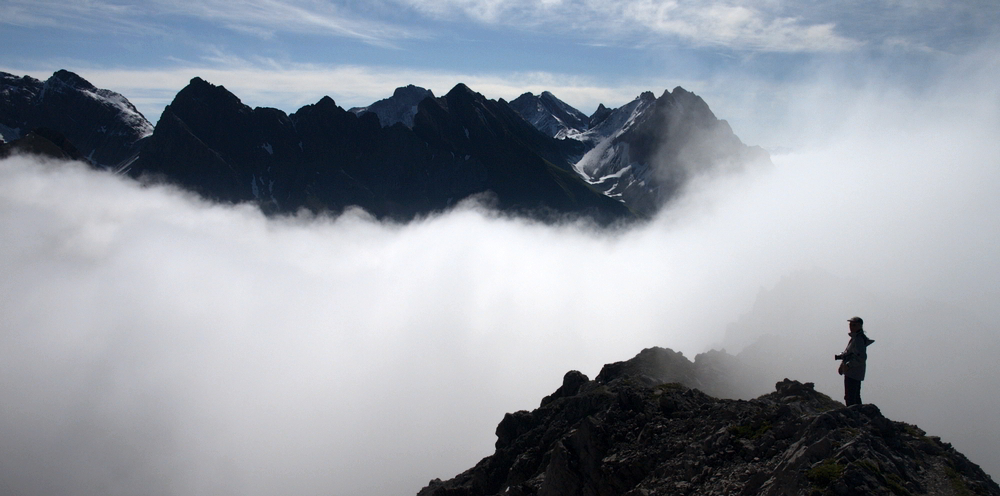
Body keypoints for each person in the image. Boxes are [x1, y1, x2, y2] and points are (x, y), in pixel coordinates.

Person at [836, 316, 875, 406]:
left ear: (860, 326)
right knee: (854, 396)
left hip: (853, 372)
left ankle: (855, 416)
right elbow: (850, 354)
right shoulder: (856, 338)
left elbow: (861, 357)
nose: (851, 326)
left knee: (851, 397)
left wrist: (847, 365)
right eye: (850, 324)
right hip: (853, 372)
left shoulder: (858, 339)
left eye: (854, 325)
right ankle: (859, 416)